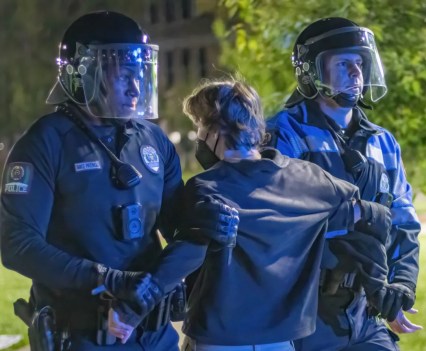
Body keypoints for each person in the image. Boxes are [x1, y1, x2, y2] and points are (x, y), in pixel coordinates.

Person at [107, 78, 394, 350]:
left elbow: (187, 253)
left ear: (214, 131)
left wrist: (130, 309)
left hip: (219, 338)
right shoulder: (310, 180)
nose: (198, 137)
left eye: (199, 127)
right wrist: (380, 285)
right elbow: (373, 217)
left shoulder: (208, 187)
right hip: (283, 341)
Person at [0, 10, 228, 351]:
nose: (136, 86)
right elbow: (16, 245)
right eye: (123, 74)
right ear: (84, 73)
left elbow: (179, 229)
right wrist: (107, 279)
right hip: (79, 336)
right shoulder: (44, 142)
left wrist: (206, 223)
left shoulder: (153, 140)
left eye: (139, 73)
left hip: (154, 333)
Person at [266, 17, 421, 351]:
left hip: (365, 314)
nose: (357, 74)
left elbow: (405, 223)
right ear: (311, 71)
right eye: (344, 63)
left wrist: (402, 285)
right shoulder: (284, 135)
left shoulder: (383, 143)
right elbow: (283, 225)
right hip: (303, 316)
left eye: (361, 64)